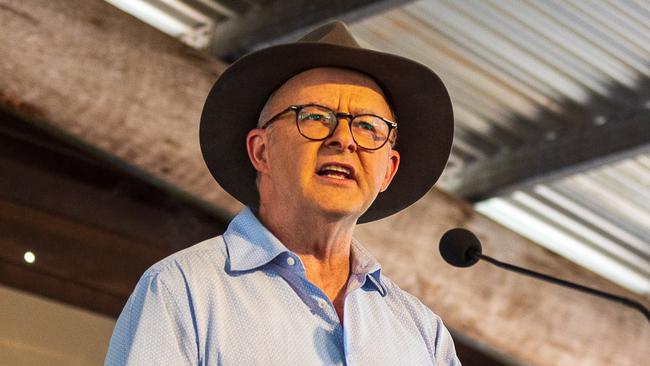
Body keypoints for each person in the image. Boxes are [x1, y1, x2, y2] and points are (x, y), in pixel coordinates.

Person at [105, 21, 460, 365]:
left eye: (368, 126)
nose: (344, 139)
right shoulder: (182, 290)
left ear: (388, 170)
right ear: (261, 151)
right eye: (316, 117)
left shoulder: (421, 332)